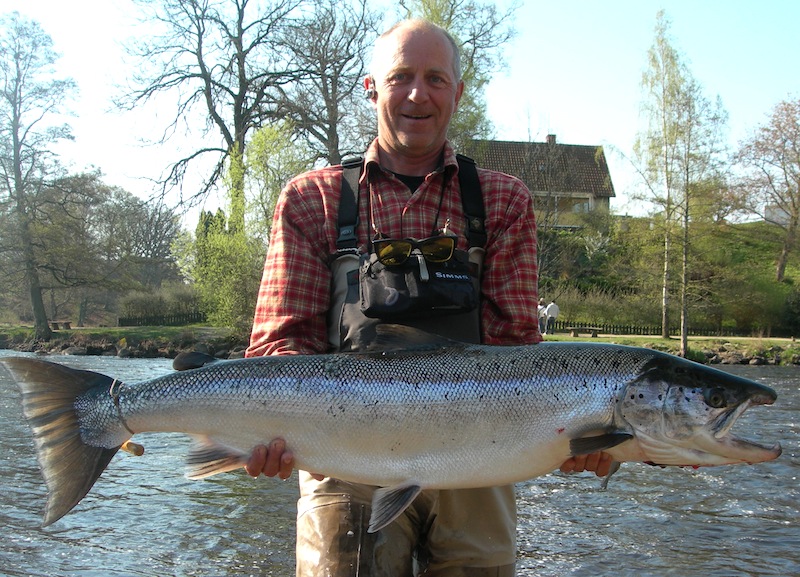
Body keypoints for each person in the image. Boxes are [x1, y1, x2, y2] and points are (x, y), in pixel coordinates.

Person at [244, 19, 611, 576]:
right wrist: (272, 431)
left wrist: (580, 435)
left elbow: (519, 349)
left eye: (435, 78)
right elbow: (279, 343)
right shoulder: (309, 199)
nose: (418, 93)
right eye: (401, 77)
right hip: (345, 458)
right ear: (371, 87)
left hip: (481, 459)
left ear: (458, 94)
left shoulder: (503, 200)